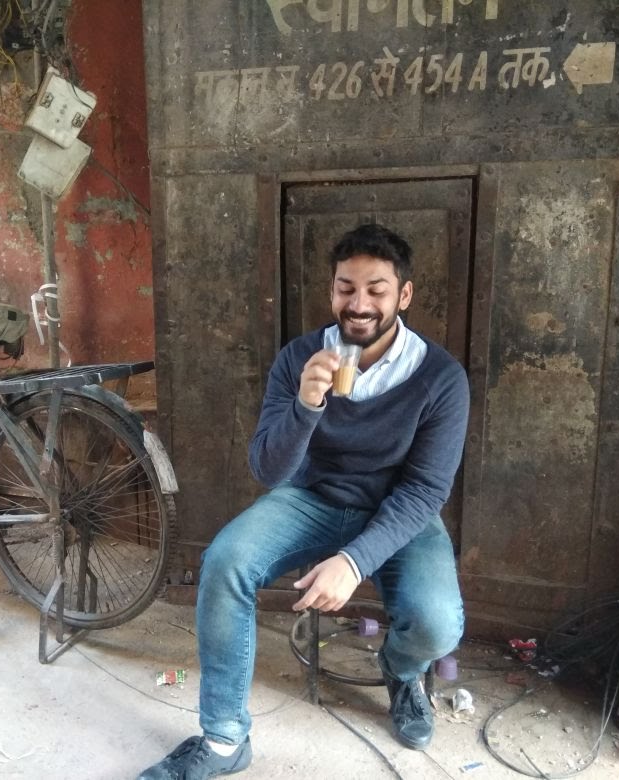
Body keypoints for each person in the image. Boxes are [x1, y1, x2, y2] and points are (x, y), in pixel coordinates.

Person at [138, 223, 470, 779]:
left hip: (398, 511)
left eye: (377, 289)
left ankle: (401, 669)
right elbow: (269, 469)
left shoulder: (440, 378)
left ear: (404, 295)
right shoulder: (299, 358)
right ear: (331, 290)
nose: (358, 304)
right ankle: (223, 739)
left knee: (437, 624)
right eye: (346, 288)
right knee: (225, 561)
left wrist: (354, 561)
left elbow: (425, 490)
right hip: (311, 499)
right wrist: (306, 406)